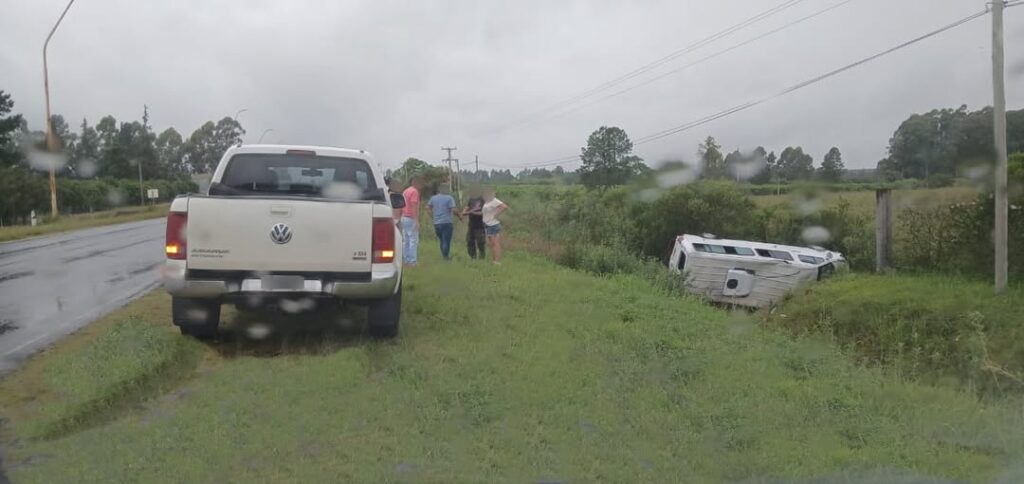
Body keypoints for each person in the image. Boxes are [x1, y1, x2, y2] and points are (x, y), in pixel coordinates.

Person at [426, 186, 462, 260]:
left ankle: (444, 255)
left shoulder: (433, 198)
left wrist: (433, 217)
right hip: (447, 222)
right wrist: (459, 216)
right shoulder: (449, 198)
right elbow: (453, 209)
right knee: (446, 240)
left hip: (436, 223)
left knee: (442, 240)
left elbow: (428, 208)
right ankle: (446, 257)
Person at [481, 188, 509, 264]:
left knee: (495, 244)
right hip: (488, 224)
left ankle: (496, 261)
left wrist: (496, 214)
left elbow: (504, 206)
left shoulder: (494, 200)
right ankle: (495, 260)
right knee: (492, 243)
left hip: (493, 224)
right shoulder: (487, 202)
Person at [400, 177, 423, 267]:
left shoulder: (405, 191)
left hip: (404, 217)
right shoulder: (414, 192)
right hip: (411, 218)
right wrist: (416, 220)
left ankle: (406, 260)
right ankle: (412, 261)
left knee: (405, 240)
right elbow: (414, 206)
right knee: (413, 240)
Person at [462, 187, 486, 259]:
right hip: (471, 225)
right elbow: (464, 212)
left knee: (481, 243)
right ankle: (472, 257)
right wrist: (470, 211)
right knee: (469, 242)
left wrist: (472, 212)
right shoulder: (471, 200)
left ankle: (482, 258)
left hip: (480, 225)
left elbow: (484, 213)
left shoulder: (483, 200)